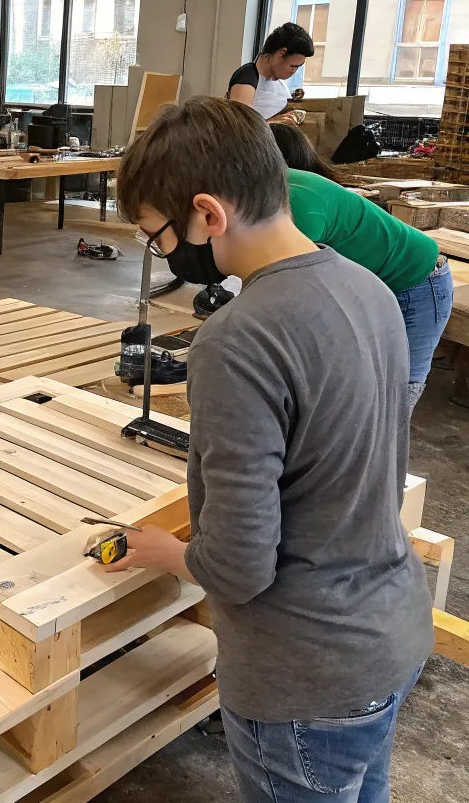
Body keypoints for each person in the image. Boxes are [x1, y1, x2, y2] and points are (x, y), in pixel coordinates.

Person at [108, 97, 433, 803]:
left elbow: (240, 565)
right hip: (391, 633)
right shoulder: (370, 287)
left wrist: (171, 555)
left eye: (157, 235)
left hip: (303, 676)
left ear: (207, 214)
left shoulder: (236, 340)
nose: (163, 253)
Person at [270, 122, 453, 407]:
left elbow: (291, 289)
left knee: (399, 389)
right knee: (363, 385)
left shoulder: (297, 202)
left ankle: (384, 450)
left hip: (417, 279)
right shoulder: (279, 192)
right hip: (376, 280)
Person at [227, 22, 313, 122]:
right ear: (282, 53)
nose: (294, 71)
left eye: (298, 67)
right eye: (293, 66)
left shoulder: (280, 84)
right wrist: (272, 123)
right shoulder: (247, 77)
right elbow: (240, 126)